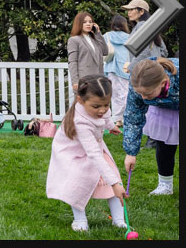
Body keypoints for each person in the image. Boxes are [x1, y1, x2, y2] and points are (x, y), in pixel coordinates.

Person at [46, 75, 126, 232]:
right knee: (78, 181)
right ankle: (80, 220)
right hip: (72, 153)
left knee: (113, 175)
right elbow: (94, 155)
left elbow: (106, 116)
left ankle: (119, 220)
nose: (102, 110)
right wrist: (114, 184)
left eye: (106, 104)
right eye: (96, 107)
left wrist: (110, 126)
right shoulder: (80, 122)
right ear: (80, 100)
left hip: (93, 147)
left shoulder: (102, 108)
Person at [122, 57, 179, 196]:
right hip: (163, 109)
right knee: (165, 145)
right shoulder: (138, 83)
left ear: (163, 83)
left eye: (147, 94)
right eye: (140, 93)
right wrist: (131, 153)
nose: (143, 97)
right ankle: (165, 185)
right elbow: (133, 118)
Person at [66, 12, 108, 106]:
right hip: (84, 80)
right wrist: (75, 81)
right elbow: (72, 62)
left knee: (96, 106)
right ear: (79, 23)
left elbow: (105, 51)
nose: (88, 24)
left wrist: (98, 33)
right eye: (85, 22)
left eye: (90, 21)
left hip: (98, 79)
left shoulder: (94, 39)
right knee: (82, 107)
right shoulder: (74, 40)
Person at [121, 0, 168, 74]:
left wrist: (131, 66)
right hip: (154, 70)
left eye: (132, 9)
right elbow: (164, 51)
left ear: (142, 11)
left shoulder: (141, 25)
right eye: (128, 10)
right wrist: (155, 59)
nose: (128, 12)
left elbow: (144, 51)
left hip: (143, 71)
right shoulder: (150, 26)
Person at [103, 15, 132, 127]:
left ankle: (117, 119)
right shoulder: (130, 37)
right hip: (125, 67)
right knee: (126, 93)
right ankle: (126, 118)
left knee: (114, 94)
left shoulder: (107, 36)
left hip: (112, 67)